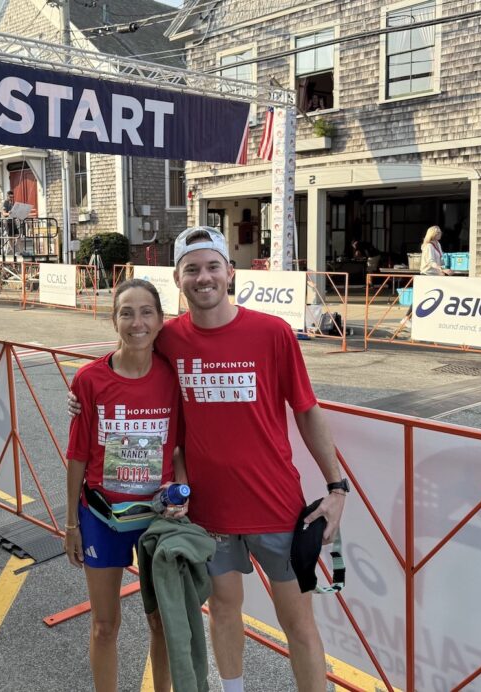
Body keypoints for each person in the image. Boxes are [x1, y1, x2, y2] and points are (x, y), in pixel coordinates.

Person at [70, 227, 347, 692]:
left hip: (276, 504)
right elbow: (125, 355)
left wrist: (337, 487)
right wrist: (82, 394)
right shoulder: (169, 337)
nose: (204, 278)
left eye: (212, 266)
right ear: (178, 279)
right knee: (222, 610)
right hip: (207, 513)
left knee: (299, 625)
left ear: (229, 272)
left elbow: (306, 410)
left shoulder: (272, 332)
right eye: (192, 269)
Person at [65, 279, 186, 692]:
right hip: (101, 516)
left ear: (160, 320)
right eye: (126, 313)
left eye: (146, 312)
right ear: (113, 319)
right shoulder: (89, 380)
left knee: (162, 622)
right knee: (104, 625)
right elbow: (77, 454)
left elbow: (182, 447)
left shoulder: (174, 378)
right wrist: (70, 524)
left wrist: (182, 493)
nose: (137, 322)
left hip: (158, 517)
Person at [399, 225, 452, 332]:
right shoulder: (429, 246)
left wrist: (445, 268)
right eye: (437, 232)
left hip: (436, 275)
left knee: (436, 297)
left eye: (440, 232)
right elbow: (430, 261)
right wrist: (441, 269)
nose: (440, 234)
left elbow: (441, 259)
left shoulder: (438, 244)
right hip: (427, 274)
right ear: (432, 234)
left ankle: (427, 319)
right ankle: (406, 318)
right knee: (421, 297)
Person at [1, 190, 20, 261]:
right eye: (10, 197)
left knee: (18, 236)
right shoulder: (5, 203)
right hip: (7, 222)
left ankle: (20, 251)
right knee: (10, 238)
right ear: (7, 196)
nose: (11, 198)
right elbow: (4, 213)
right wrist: (9, 213)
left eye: (12, 197)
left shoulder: (12, 203)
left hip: (13, 221)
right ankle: (14, 252)